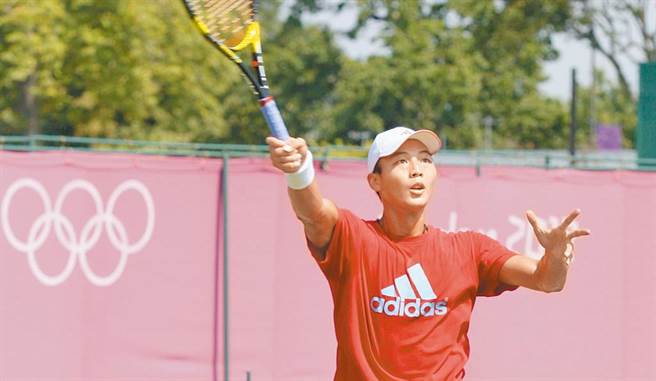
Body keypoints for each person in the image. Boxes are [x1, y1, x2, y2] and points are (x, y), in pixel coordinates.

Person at [266, 126, 591, 380]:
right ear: (375, 181)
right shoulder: (354, 238)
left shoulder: (469, 249)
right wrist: (299, 171)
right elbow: (313, 213)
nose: (416, 169)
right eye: (401, 161)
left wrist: (556, 256)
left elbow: (546, 280)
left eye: (425, 159)